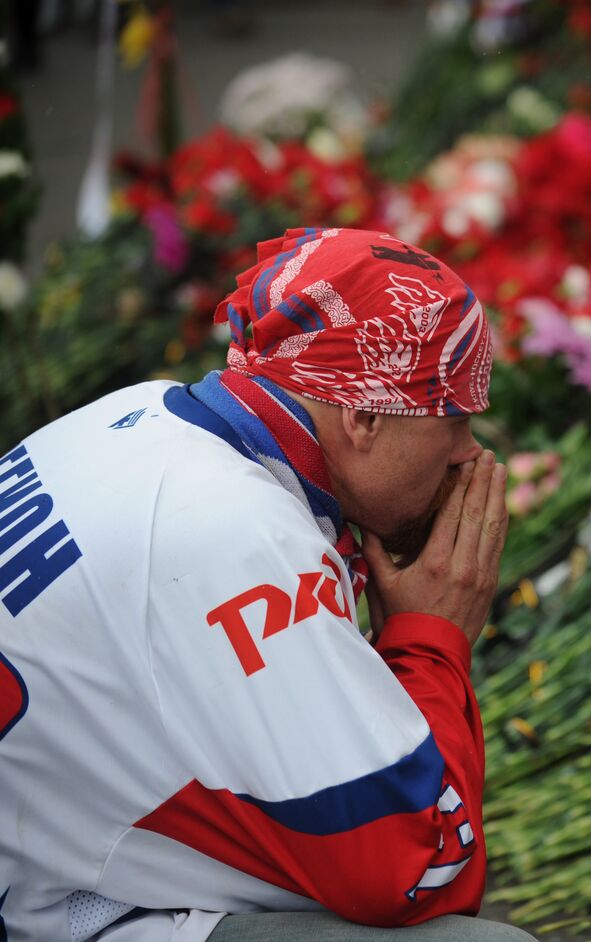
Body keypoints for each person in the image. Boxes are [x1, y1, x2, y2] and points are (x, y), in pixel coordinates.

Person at [0, 227, 536, 941]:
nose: (469, 455)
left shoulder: (139, 415)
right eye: (455, 421)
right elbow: (419, 870)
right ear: (365, 414)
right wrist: (431, 639)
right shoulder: (242, 530)